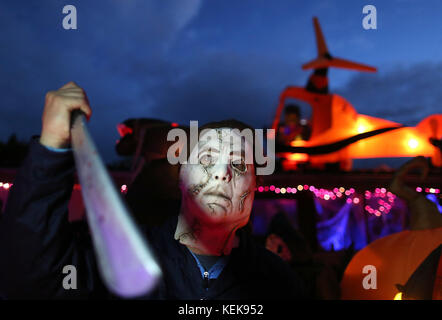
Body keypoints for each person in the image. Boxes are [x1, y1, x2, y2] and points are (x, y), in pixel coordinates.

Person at [0, 82, 307, 299]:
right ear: (182, 176)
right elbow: (34, 281)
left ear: (255, 188)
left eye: (240, 165)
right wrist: (51, 148)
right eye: (207, 158)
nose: (222, 173)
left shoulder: (279, 283)